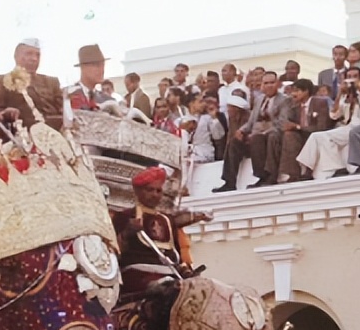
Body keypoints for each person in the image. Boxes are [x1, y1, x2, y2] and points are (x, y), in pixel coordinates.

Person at [112, 166, 209, 295]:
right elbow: (113, 253)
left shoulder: (167, 219)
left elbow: (175, 255)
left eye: (158, 191)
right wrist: (127, 233)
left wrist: (184, 270)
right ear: (137, 191)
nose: (155, 194)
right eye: (150, 190)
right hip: (137, 275)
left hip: (170, 273)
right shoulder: (124, 216)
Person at [215, 71, 291, 192]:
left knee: (257, 138)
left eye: (272, 83)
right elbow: (251, 122)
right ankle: (229, 182)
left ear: (277, 84)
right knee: (234, 142)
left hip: (271, 135)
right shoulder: (259, 99)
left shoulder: (284, 100)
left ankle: (264, 176)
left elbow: (282, 122)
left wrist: (263, 132)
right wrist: (242, 130)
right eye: (266, 83)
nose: (269, 86)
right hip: (255, 133)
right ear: (262, 85)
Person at [0, 37, 65, 131]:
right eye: (29, 54)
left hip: (55, 134)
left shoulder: (52, 82)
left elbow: (64, 111)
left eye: (38, 55)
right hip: (20, 134)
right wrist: (4, 113)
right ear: (16, 56)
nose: (34, 59)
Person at [278, 78, 331, 183]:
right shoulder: (294, 106)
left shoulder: (320, 102)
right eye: (292, 91)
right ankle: (293, 173)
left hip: (316, 135)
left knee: (293, 135)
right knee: (287, 135)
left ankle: (307, 171)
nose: (293, 94)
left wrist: (298, 127)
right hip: (301, 135)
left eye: (296, 91)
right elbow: (287, 121)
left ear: (306, 91)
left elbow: (322, 127)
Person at [67, 44, 112, 111]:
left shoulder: (108, 101)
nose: (102, 70)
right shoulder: (68, 97)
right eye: (97, 65)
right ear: (83, 67)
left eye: (103, 65)